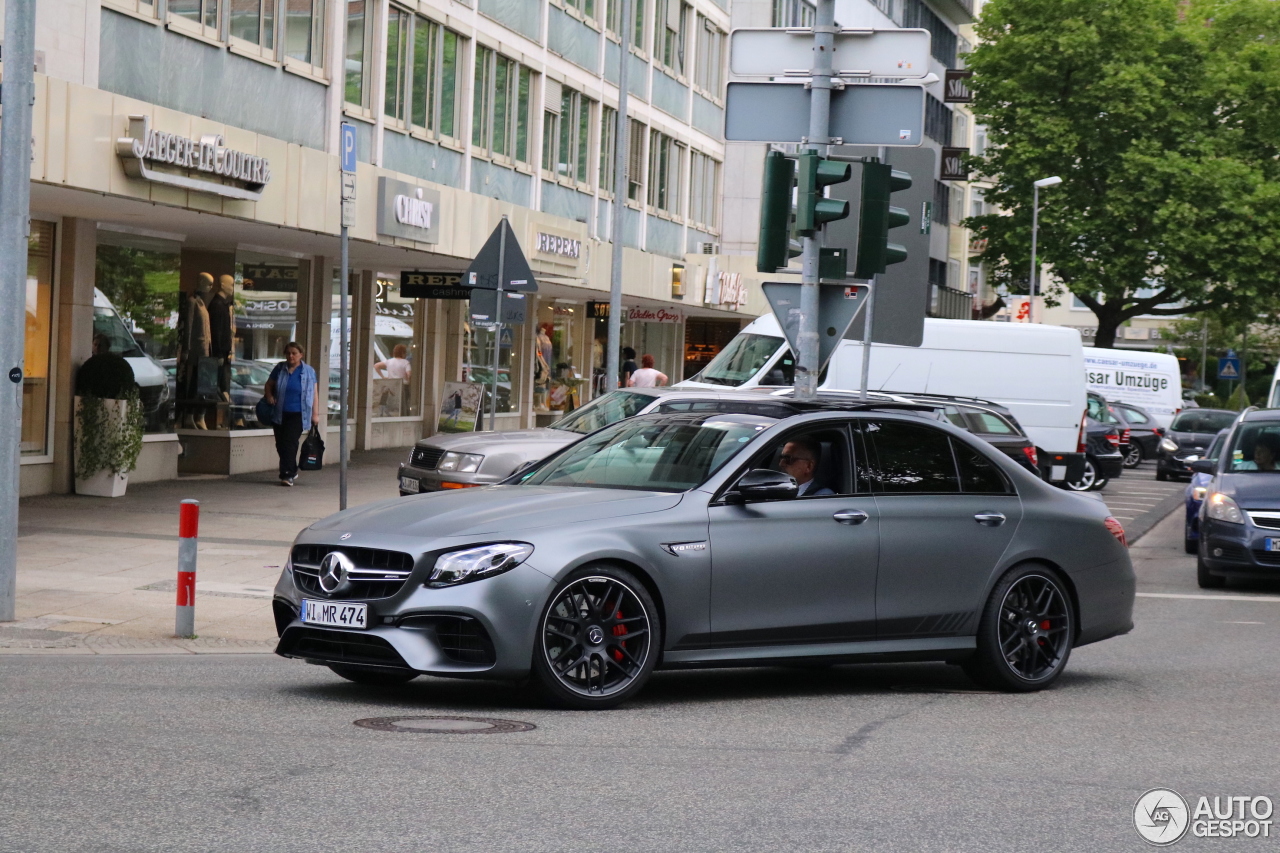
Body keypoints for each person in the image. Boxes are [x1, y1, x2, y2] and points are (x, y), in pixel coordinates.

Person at [263, 342, 319, 487]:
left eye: (294, 353)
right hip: (280, 412)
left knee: (290, 442)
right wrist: (269, 396)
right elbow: (268, 385)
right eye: (288, 353)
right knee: (280, 444)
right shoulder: (280, 369)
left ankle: (287, 475)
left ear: (301, 354)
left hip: (299, 414)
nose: (291, 356)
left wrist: (315, 414)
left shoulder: (308, 371)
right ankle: (292, 470)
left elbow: (314, 394)